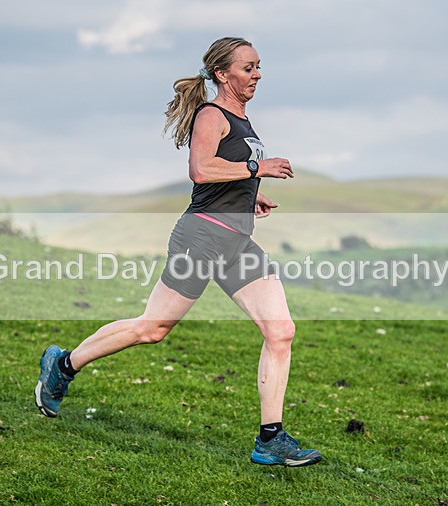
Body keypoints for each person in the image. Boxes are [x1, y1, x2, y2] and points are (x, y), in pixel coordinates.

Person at [34, 37, 322, 467]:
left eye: (259, 66)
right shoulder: (212, 114)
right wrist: (256, 169)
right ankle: (63, 365)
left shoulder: (243, 119)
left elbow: (224, 175)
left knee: (280, 332)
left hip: (236, 241)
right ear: (223, 74)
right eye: (248, 68)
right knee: (152, 328)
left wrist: (249, 196)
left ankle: (270, 439)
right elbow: (201, 169)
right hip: (201, 238)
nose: (257, 74)